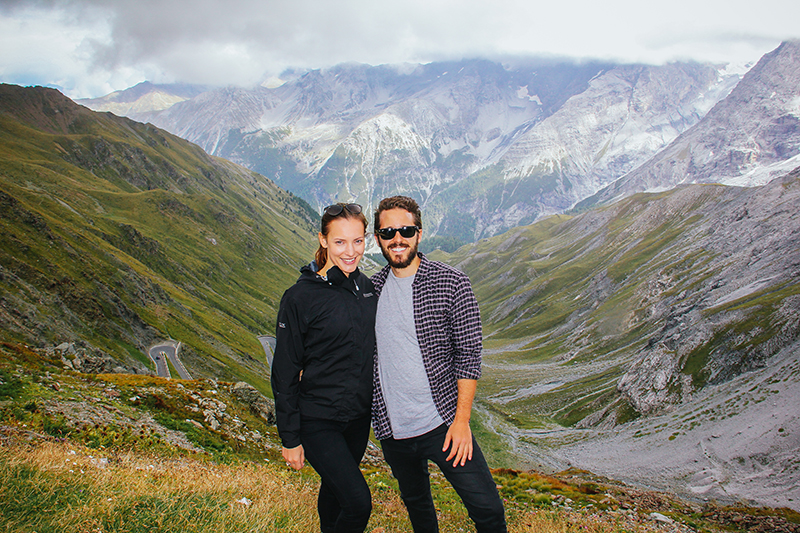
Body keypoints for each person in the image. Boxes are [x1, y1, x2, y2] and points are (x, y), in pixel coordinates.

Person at [370, 196, 507, 532]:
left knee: (487, 509)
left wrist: (461, 422)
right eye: (388, 232)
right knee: (418, 508)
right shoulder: (369, 291)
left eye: (405, 230)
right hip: (393, 429)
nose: (397, 238)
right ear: (377, 239)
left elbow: (469, 354)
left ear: (419, 233)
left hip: (444, 425)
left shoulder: (452, 282)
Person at [271, 202, 376, 533]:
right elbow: (285, 371)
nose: (350, 251)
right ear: (323, 240)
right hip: (317, 421)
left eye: (358, 241)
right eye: (341, 241)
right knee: (359, 503)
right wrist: (290, 438)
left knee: (335, 493)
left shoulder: (368, 289)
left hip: (357, 420)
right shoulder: (300, 297)